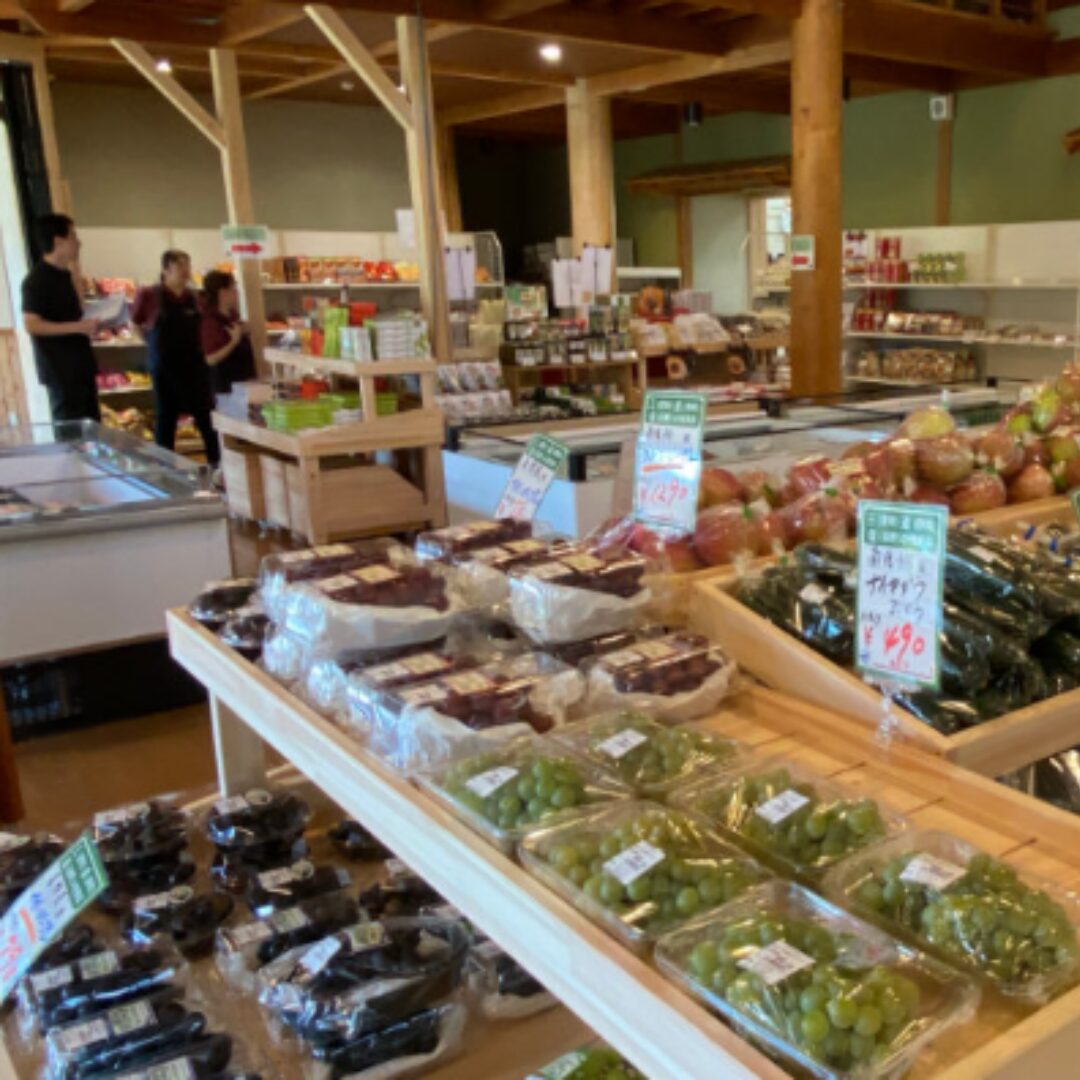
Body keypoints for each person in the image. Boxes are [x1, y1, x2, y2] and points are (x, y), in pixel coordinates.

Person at [132, 250, 219, 466]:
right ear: (165, 270)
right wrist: (148, 341)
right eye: (180, 266)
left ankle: (217, 466)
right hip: (164, 368)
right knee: (166, 419)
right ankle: (165, 470)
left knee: (206, 418)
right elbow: (135, 322)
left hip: (195, 366)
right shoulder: (149, 295)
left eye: (187, 265)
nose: (185, 270)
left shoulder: (195, 298)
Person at [21, 214, 101, 423]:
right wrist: (78, 327)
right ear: (58, 241)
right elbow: (31, 324)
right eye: (73, 236)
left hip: (80, 365)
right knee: (71, 433)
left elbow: (67, 318)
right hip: (61, 370)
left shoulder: (64, 276)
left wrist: (88, 325)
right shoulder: (36, 280)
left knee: (92, 429)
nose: (79, 243)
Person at [200, 270, 255, 395]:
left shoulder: (233, 316)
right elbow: (210, 359)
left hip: (243, 381)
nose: (236, 293)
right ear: (222, 293)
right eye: (233, 288)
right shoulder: (210, 322)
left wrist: (244, 330)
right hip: (225, 387)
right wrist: (234, 342)